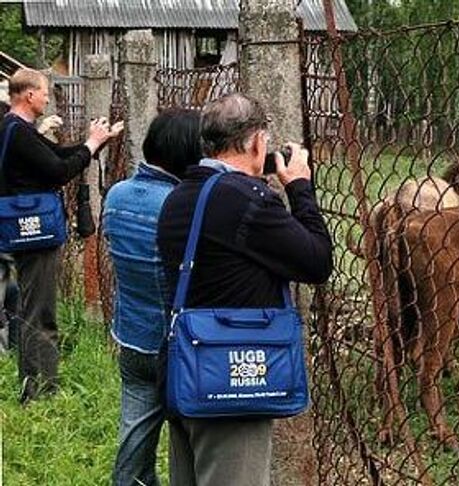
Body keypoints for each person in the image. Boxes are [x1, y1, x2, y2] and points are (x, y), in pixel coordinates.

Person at [157, 93, 333, 486]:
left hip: (187, 372)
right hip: (232, 384)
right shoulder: (246, 200)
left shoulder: (179, 197)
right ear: (257, 142)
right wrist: (301, 188)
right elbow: (318, 262)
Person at [0, 68, 121, 402]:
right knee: (40, 311)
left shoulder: (17, 129)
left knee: (30, 307)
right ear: (28, 95)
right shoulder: (18, 131)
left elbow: (59, 156)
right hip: (34, 232)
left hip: (24, 230)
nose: (47, 97)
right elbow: (59, 170)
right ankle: (42, 393)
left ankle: (33, 385)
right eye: (44, 92)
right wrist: (91, 145)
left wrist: (92, 144)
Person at [103, 109, 203, 486]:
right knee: (190, 440)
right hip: (174, 344)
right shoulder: (180, 206)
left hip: (130, 334)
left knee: (135, 428)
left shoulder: (117, 195)